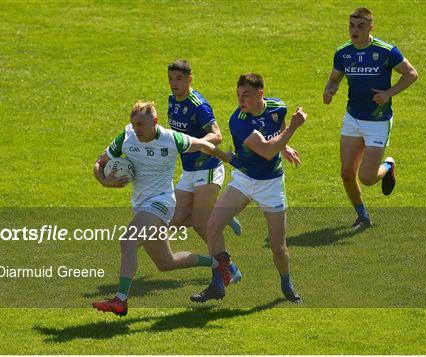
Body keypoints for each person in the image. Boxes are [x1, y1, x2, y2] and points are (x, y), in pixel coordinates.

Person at [91, 101, 230, 316]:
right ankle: (217, 263)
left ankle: (120, 300)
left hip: (161, 202)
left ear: (154, 122)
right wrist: (104, 181)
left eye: (141, 124)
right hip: (141, 206)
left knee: (128, 241)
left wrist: (229, 159)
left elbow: (204, 145)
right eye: (134, 124)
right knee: (166, 262)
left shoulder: (171, 138)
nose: (137, 129)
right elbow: (99, 163)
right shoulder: (126, 137)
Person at [190, 73, 306, 303]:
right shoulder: (240, 121)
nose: (241, 101)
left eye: (246, 95)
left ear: (260, 94)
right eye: (238, 96)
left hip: (272, 184)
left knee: (277, 247)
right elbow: (266, 150)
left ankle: (286, 284)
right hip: (245, 179)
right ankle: (218, 282)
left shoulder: (277, 107)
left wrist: (286, 146)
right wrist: (292, 129)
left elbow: (278, 127)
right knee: (212, 225)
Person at [323, 7, 418, 229]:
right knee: (346, 172)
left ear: (370, 27)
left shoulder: (385, 51)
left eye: (360, 26)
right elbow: (335, 78)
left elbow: (411, 73)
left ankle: (388, 165)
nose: (354, 30)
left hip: (378, 122)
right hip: (353, 118)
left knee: (366, 178)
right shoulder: (343, 52)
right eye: (351, 25)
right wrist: (329, 91)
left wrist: (388, 94)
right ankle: (363, 216)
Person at [166, 59, 242, 284]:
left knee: (200, 223)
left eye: (179, 79)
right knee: (175, 218)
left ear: (190, 79)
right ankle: (220, 212)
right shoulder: (172, 100)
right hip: (189, 170)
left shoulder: (198, 105)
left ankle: (229, 268)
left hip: (207, 168)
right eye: (170, 78)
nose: (173, 84)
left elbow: (216, 136)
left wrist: (194, 142)